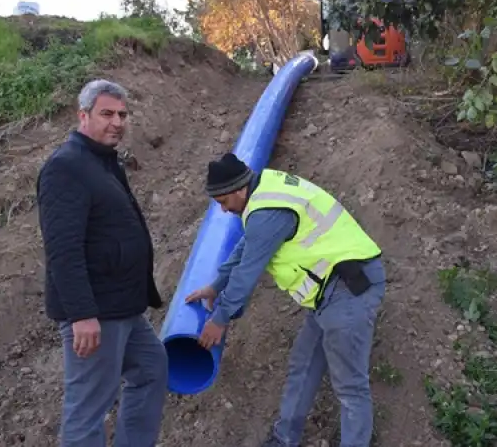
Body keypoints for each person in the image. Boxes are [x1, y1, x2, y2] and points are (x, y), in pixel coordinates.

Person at [185, 153, 386, 447]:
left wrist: (220, 319)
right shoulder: (264, 193)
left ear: (237, 190)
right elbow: (246, 246)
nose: (225, 211)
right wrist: (216, 286)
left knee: (350, 387)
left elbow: (247, 273)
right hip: (327, 293)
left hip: (349, 288)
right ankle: (284, 439)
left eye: (224, 203)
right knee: (302, 365)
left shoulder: (267, 212)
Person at [36, 79, 168, 447]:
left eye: (123, 114)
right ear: (83, 115)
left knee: (151, 369)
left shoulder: (103, 163)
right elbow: (63, 249)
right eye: (107, 113)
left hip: (124, 308)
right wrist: (81, 314)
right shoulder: (66, 167)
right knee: (88, 408)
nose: (117, 122)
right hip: (97, 312)